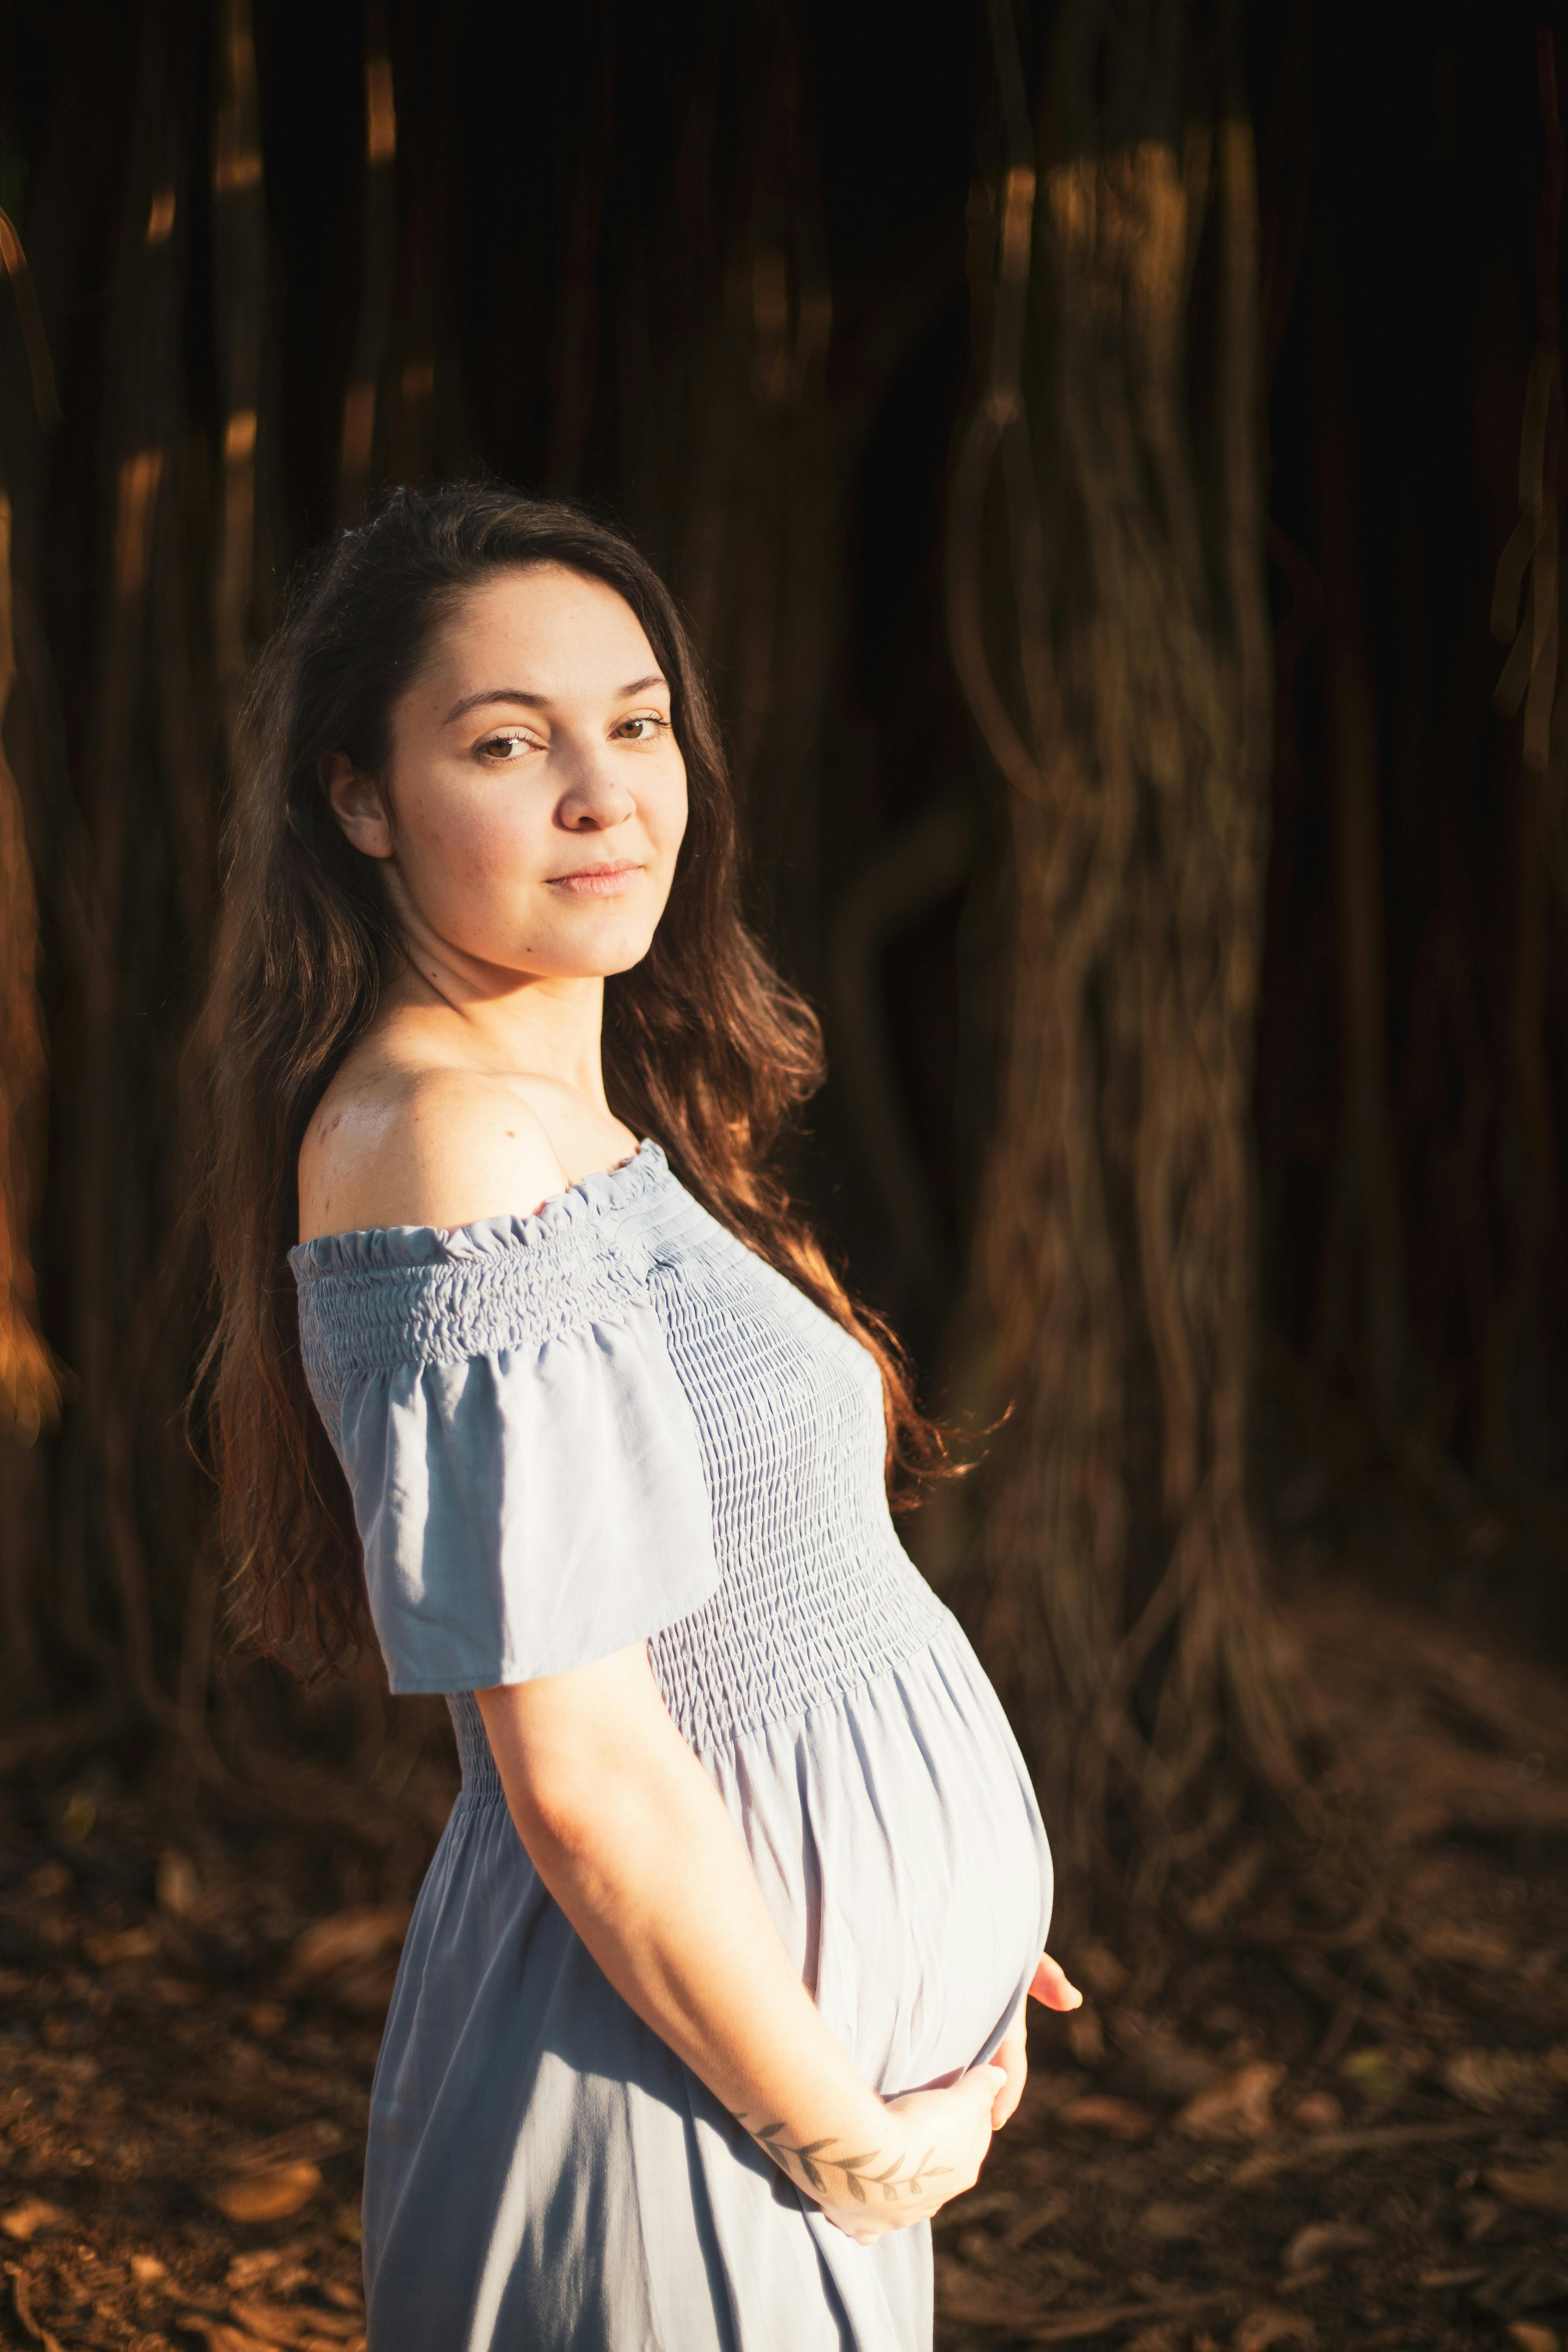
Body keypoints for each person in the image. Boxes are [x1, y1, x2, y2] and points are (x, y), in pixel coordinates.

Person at [200, 483, 1078, 2352]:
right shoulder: (448, 1143)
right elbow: (582, 1777)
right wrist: (840, 2130)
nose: (606, 795)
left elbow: (767, 1599)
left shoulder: (600, 1127)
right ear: (358, 801)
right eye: (509, 745)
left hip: (752, 2057)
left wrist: (942, 1902)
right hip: (670, 2097)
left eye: (637, 721)